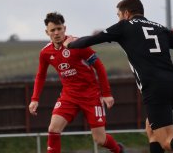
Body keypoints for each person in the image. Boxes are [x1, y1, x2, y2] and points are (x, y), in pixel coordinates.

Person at [63, 0, 173, 153]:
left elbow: (91, 40)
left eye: (119, 15)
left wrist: (70, 44)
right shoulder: (159, 28)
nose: (119, 18)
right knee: (151, 130)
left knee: (167, 140)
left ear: (127, 13)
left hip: (155, 88)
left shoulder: (124, 26)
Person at [29, 12, 125, 153]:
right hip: (69, 96)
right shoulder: (45, 53)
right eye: (53, 30)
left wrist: (106, 94)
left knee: (99, 139)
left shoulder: (78, 45)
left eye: (59, 29)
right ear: (47, 32)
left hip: (90, 95)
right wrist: (35, 99)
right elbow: (40, 75)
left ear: (65, 28)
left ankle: (118, 150)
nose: (56, 33)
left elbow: (99, 66)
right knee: (53, 129)